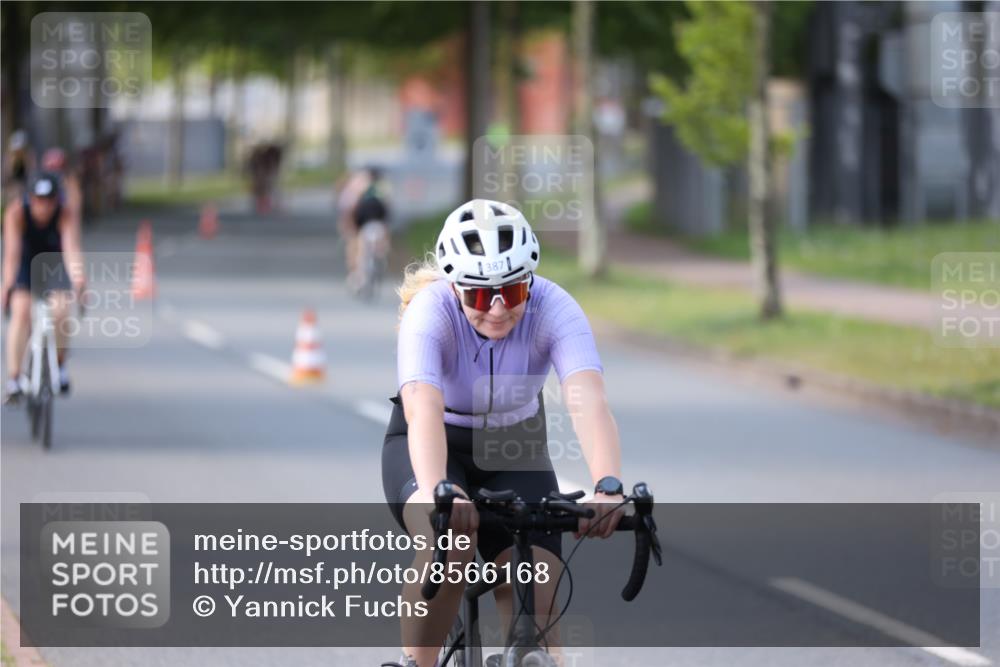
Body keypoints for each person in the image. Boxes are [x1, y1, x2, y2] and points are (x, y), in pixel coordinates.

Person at [381, 199, 626, 667]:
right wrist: (437, 490)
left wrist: (608, 485)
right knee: (448, 548)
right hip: (435, 444)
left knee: (536, 579)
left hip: (514, 449)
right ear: (454, 286)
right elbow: (422, 408)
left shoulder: (555, 308)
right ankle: (419, 662)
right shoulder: (430, 312)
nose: (496, 309)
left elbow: (588, 401)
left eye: (512, 292)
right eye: (478, 296)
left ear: (529, 281)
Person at [2, 173, 85, 403]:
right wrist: (7, 285)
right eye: (39, 200)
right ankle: (14, 378)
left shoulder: (65, 213)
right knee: (21, 312)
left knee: (61, 311)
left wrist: (79, 280)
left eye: (49, 200)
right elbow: (11, 255)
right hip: (25, 263)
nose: (44, 206)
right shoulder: (16, 213)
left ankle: (60, 363)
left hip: (53, 263)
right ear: (30, 198)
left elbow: (71, 249)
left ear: (56, 199)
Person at [40, 147, 84, 227]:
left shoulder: (70, 182)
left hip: (64, 221)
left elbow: (75, 208)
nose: (55, 172)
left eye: (58, 168)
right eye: (51, 168)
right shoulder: (41, 184)